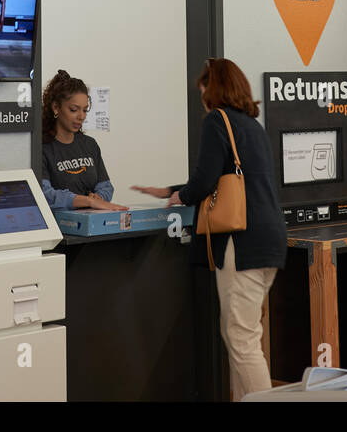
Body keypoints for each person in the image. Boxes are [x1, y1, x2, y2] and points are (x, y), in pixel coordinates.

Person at [132, 58, 285, 401]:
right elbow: (225, 177)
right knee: (243, 336)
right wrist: (175, 190)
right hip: (270, 242)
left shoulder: (218, 120)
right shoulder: (252, 126)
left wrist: (181, 196)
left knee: (242, 340)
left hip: (241, 243)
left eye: (203, 92)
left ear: (213, 90)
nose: (202, 100)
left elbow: (204, 180)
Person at [41, 70, 128, 212]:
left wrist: (99, 198)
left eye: (85, 110)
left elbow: (106, 186)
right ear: (56, 107)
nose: (81, 116)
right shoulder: (42, 148)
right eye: (74, 110)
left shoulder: (89, 144)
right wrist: (86, 201)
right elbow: (45, 195)